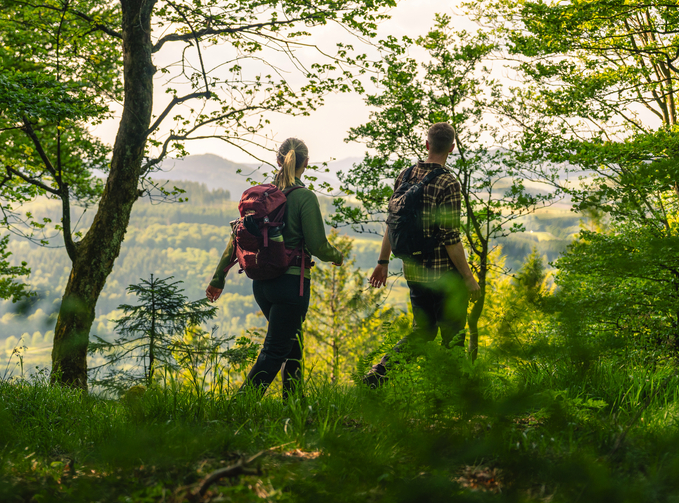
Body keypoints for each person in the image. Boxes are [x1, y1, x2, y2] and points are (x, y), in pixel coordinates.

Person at [206, 138, 343, 399]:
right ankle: (238, 406)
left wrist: (218, 278)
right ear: (305, 163)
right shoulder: (304, 197)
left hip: (262, 284)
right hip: (291, 285)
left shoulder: (260, 198)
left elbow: (235, 239)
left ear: (278, 160)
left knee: (293, 344)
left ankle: (293, 404)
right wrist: (337, 256)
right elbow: (317, 244)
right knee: (275, 350)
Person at [363, 122, 481, 387]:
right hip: (444, 275)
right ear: (452, 148)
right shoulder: (448, 182)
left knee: (423, 332)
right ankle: (450, 393)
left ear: (427, 144)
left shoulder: (405, 175)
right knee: (452, 336)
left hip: (414, 271)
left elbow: (392, 224)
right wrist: (468, 278)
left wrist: (383, 262)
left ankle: (379, 373)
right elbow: (450, 237)